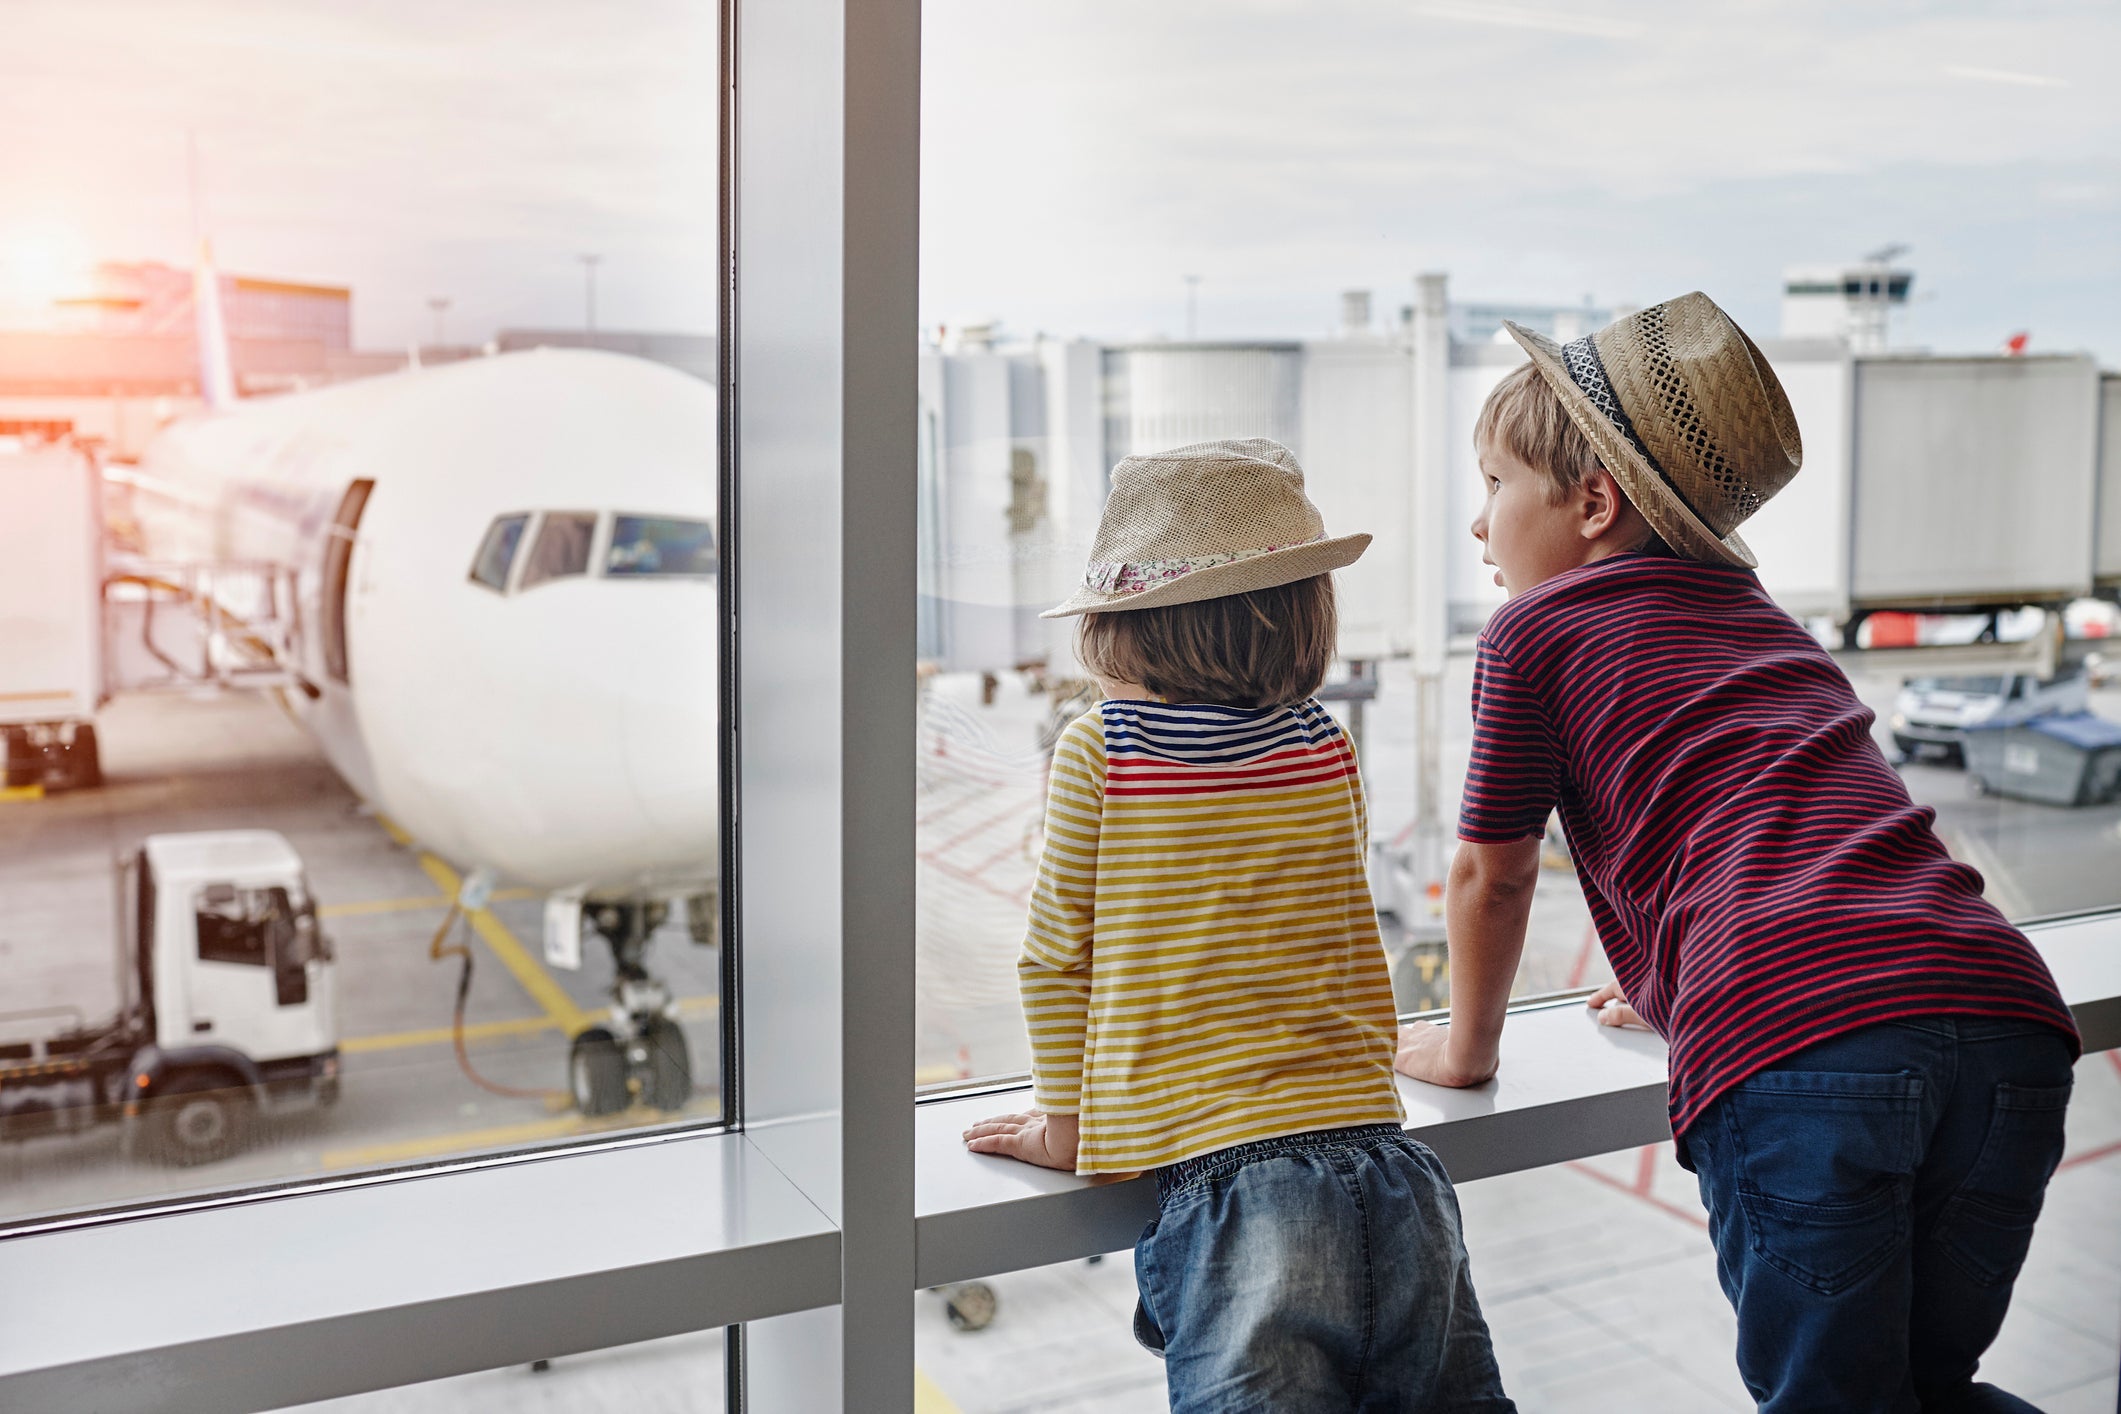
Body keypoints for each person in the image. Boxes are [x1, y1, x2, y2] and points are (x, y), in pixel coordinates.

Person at [1394, 292, 2081, 1413]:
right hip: (2004, 1016)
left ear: (1593, 502)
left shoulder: (1532, 630)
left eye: (1493, 486)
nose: (1478, 524)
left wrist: (1466, 1051)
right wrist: (1676, 974)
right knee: (1927, 1385)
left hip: (1804, 1053)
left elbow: (1494, 868)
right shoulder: (1766, 622)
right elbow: (1791, 823)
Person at [964, 438, 1514, 1413]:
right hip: (1392, 1172)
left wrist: (1067, 1122)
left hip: (1237, 1191)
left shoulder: (1105, 746)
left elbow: (1056, 958)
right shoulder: (1325, 744)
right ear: (1305, 613)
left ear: (1121, 618)